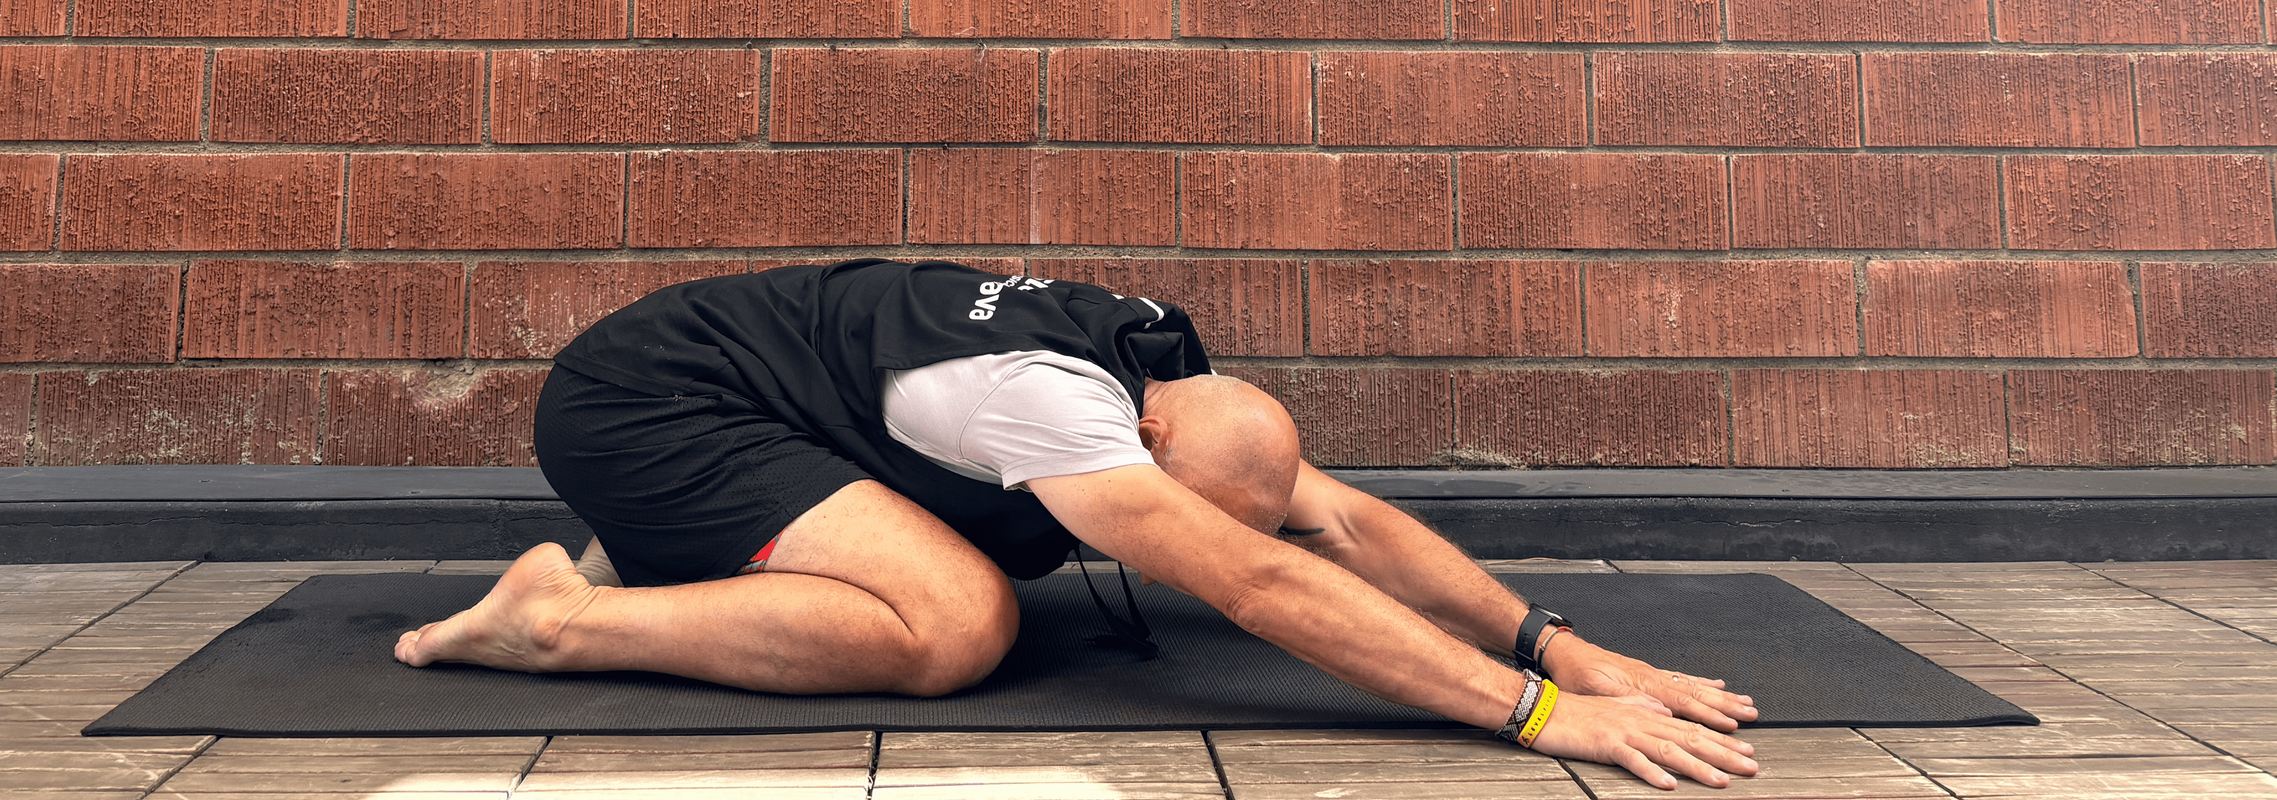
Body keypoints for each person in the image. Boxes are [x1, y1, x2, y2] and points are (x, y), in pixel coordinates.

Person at [396, 260, 1761, 791]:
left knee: (966, 575)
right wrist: (1532, 717)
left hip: (767, 397)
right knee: (955, 623)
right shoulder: (1053, 408)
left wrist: (1560, 644)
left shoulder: (1168, 365)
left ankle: (665, 559)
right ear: (1147, 439)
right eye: (1158, 512)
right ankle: (559, 616)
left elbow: (1331, 523)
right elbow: (1260, 588)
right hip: (646, 401)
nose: (1155, 538)